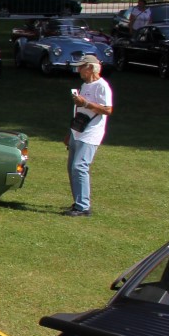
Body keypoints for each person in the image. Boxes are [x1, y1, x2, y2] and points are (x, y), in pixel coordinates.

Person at [65, 53, 114, 217]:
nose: (78, 69)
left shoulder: (102, 86)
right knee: (72, 167)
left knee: (79, 166)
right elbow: (78, 110)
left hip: (91, 132)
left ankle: (83, 207)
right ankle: (78, 202)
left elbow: (108, 110)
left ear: (91, 68)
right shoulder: (85, 85)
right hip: (77, 131)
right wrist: (69, 132)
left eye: (81, 66)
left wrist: (85, 103)